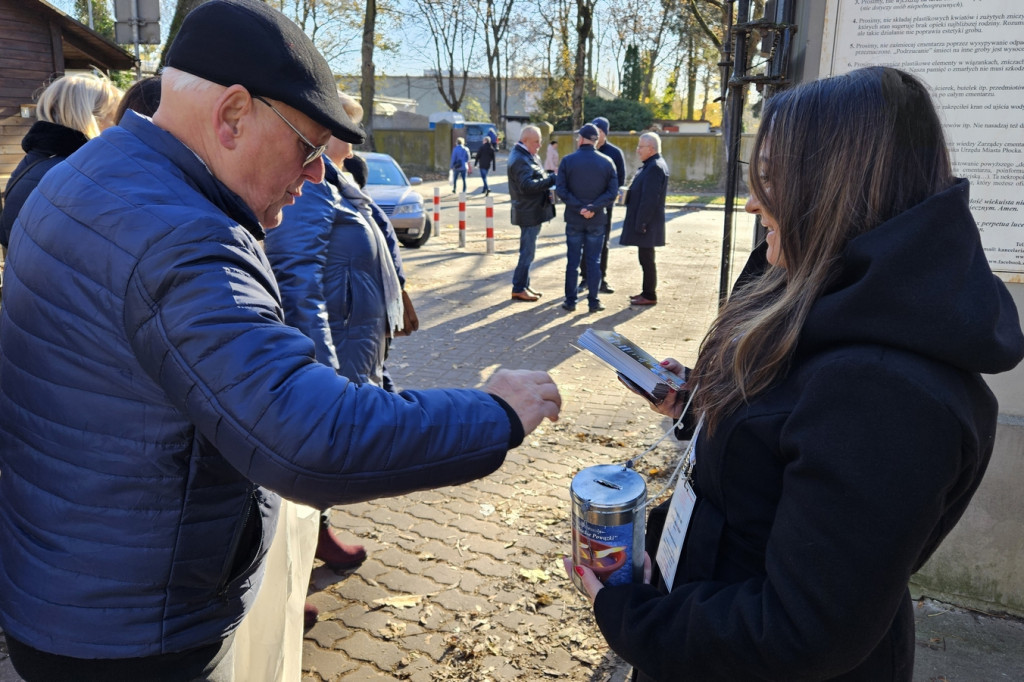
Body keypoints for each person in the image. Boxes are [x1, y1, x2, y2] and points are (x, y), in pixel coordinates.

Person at [0, 2, 561, 681]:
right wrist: (494, 414)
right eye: (310, 146)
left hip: (66, 593)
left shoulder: (86, 178)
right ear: (233, 115)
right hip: (134, 637)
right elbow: (305, 435)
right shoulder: (183, 237)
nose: (319, 174)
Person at [563, 66, 1024, 681]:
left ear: (836, 188)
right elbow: (785, 432)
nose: (752, 202)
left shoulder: (890, 395)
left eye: (771, 181)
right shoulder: (812, 290)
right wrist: (697, 402)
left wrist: (631, 615)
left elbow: (797, 631)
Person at [264, 90, 410, 628]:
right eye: (347, 125)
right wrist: (318, 371)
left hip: (357, 335)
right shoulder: (313, 181)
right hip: (337, 341)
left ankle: (317, 533)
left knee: (325, 459)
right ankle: (286, 569)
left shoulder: (340, 178)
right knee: (315, 448)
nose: (355, 134)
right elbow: (296, 276)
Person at [1, 72, 122, 251]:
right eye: (115, 119)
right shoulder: (78, 174)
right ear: (92, 119)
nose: (119, 127)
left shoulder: (35, 161)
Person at [555, 123, 618, 313]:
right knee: (594, 261)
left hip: (575, 218)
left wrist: (579, 207)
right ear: (595, 140)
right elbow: (612, 191)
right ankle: (593, 301)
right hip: (596, 219)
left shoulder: (567, 161)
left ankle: (571, 301)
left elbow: (561, 190)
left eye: (578, 137)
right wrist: (593, 207)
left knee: (573, 262)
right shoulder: (607, 162)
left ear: (582, 139)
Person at [507, 125, 557, 303]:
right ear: (525, 140)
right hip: (528, 212)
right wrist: (551, 179)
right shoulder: (521, 158)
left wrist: (548, 176)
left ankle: (523, 285)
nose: (539, 145)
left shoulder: (525, 155)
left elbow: (534, 178)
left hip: (531, 210)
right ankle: (519, 288)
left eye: (540, 141)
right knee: (527, 252)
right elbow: (527, 185)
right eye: (536, 142)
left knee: (529, 251)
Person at [620, 132, 668, 306]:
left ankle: (649, 294)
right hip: (647, 223)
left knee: (647, 260)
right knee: (645, 259)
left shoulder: (655, 167)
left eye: (641, 147)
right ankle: (647, 292)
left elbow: (650, 199)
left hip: (648, 224)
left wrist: (642, 223)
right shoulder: (650, 165)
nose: (637, 150)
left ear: (652, 148)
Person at [580, 116, 626, 295]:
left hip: (605, 206)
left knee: (602, 242)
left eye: (599, 132)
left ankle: (601, 278)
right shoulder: (584, 151)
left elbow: (619, 180)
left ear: (604, 133)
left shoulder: (614, 153)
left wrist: (601, 201)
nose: (596, 136)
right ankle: (584, 278)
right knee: (585, 241)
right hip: (585, 206)